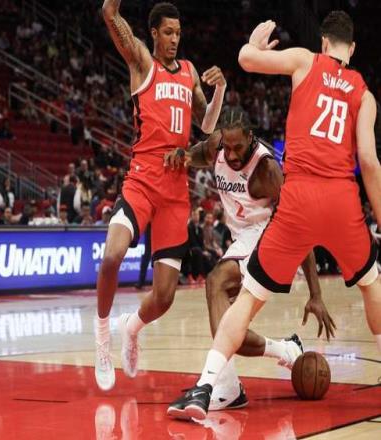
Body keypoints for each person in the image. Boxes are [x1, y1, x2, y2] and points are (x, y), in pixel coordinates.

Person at [168, 11, 380, 420]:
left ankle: (206, 386)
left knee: (247, 300)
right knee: (372, 286)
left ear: (323, 43)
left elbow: (245, 59)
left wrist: (255, 44)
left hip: (297, 200)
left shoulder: (304, 60)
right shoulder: (364, 94)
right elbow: (369, 163)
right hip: (341, 200)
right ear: (351, 49)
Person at [95, 0, 227, 391]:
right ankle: (101, 339)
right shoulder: (141, 62)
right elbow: (110, 15)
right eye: (168, 32)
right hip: (142, 180)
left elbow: (207, 127)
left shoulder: (188, 72)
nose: (174, 39)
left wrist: (220, 89)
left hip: (175, 190)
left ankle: (131, 329)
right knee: (112, 256)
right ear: (154, 33)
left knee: (165, 296)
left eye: (178, 33)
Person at [166, 107, 334, 413]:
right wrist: (184, 155)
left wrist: (316, 293)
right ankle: (285, 349)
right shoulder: (218, 146)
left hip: (267, 236)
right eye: (227, 147)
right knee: (231, 329)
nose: (231, 155)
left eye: (238, 147)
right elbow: (199, 154)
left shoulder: (266, 169)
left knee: (216, 281)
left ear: (251, 138)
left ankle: (226, 387)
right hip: (242, 239)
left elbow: (299, 226)